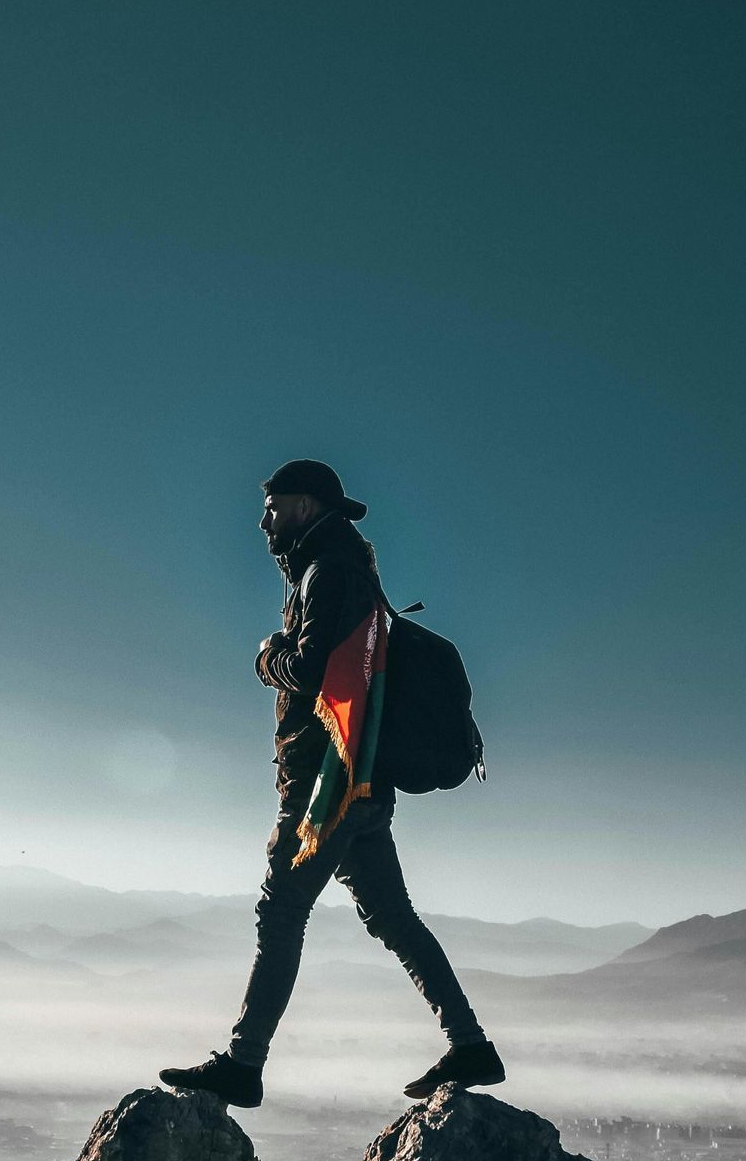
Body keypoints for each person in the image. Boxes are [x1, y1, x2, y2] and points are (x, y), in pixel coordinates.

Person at [160, 459, 505, 1109]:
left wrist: (269, 657)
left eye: (272, 506)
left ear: (303, 506)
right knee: (394, 919)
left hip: (328, 787)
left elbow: (313, 669)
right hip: (361, 783)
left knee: (281, 910)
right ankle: (471, 1045)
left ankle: (243, 1062)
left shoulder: (329, 572)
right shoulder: (350, 570)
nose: (262, 520)